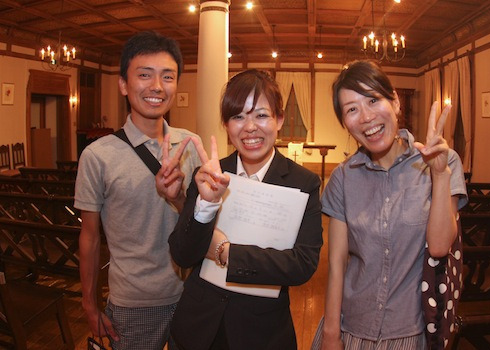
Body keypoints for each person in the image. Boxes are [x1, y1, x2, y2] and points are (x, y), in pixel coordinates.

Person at [315, 60, 467, 349]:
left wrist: (439, 174)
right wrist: (331, 334)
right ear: (345, 123)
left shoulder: (443, 161)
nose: (366, 117)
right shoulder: (343, 177)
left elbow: (439, 247)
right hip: (351, 327)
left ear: (395, 101)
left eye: (373, 100)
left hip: (409, 331)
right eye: (351, 109)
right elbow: (337, 263)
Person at [168, 69, 323, 350]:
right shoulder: (210, 174)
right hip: (198, 329)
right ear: (227, 125)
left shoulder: (304, 183)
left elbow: (301, 264)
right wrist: (205, 206)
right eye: (238, 116)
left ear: (279, 119)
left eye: (261, 115)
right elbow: (182, 253)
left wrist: (224, 251)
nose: (249, 127)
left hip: (262, 332)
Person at [75, 31, 201, 349]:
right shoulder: (98, 155)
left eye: (167, 76)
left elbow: (203, 221)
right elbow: (89, 236)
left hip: (195, 295)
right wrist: (89, 305)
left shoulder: (191, 145)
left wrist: (179, 196)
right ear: (123, 84)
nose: (156, 86)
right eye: (144, 74)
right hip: (134, 304)